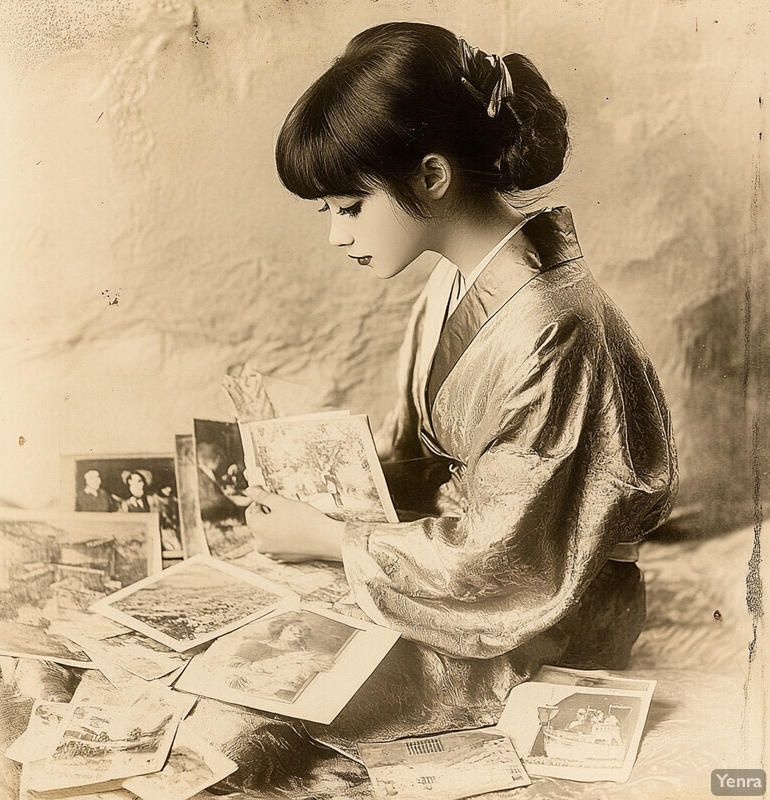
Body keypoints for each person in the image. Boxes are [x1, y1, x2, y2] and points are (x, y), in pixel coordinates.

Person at [239, 22, 677, 762]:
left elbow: (509, 557)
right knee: (257, 620)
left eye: (349, 207)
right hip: (467, 566)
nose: (337, 235)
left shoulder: (554, 325)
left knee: (272, 692)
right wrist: (317, 481)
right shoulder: (452, 282)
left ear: (433, 176)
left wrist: (330, 539)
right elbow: (422, 452)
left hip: (542, 604)